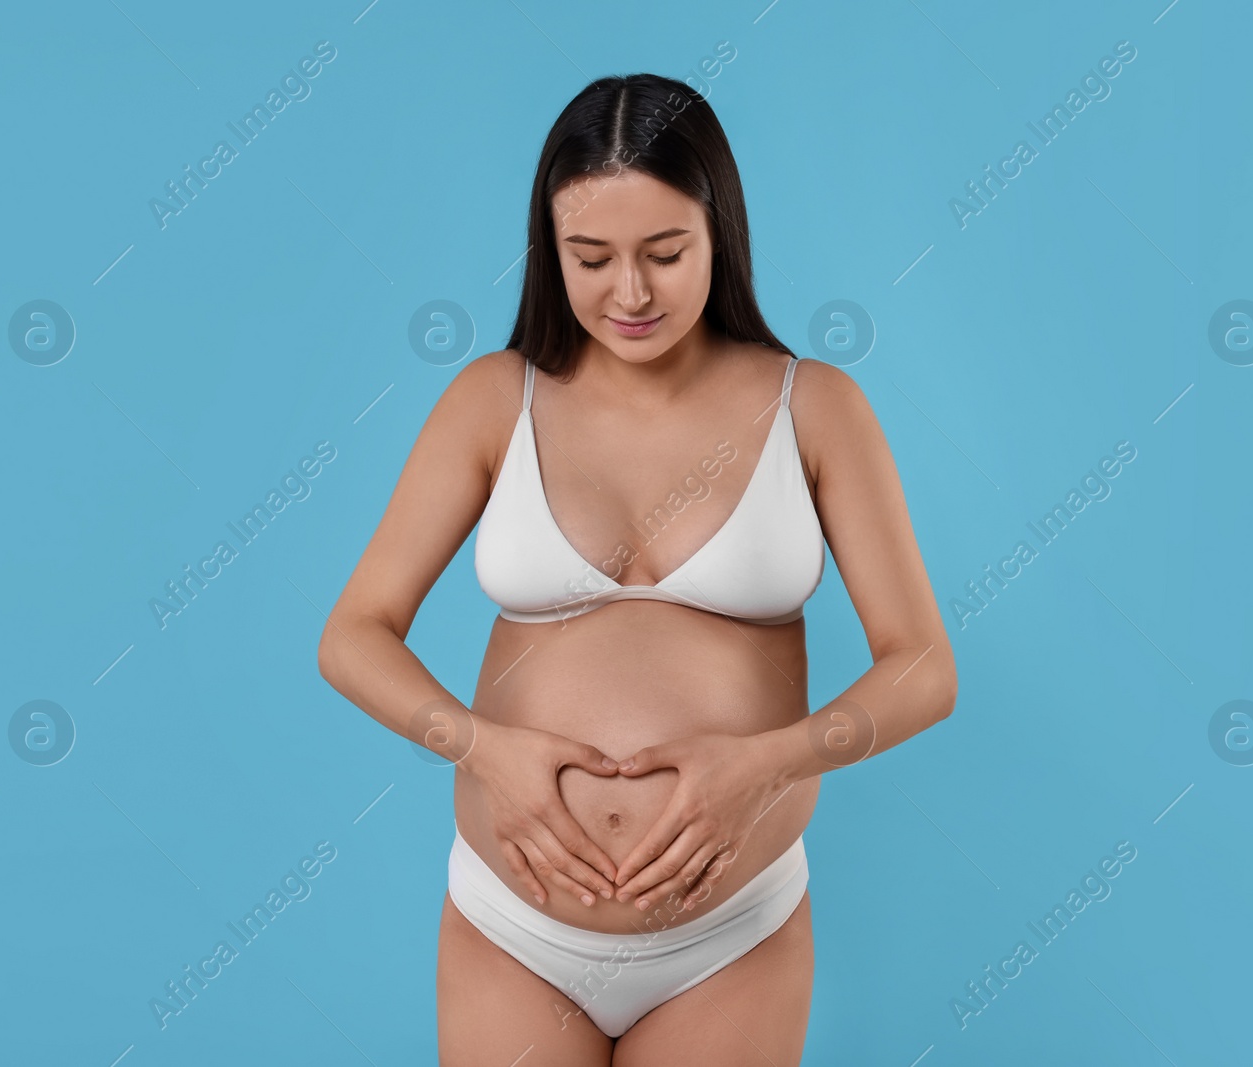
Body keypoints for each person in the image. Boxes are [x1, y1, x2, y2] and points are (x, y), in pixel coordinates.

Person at [317, 72, 956, 1066]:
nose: (630, 292)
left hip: (728, 935)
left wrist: (767, 761)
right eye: (591, 257)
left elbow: (922, 666)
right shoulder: (495, 400)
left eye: (665, 253)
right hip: (511, 929)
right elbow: (352, 634)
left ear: (720, 234)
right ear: (549, 252)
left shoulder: (816, 407)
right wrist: (482, 749)